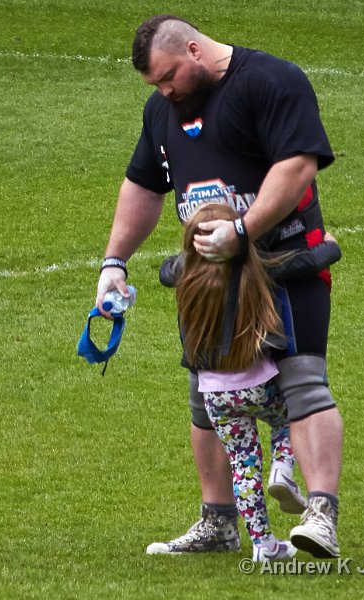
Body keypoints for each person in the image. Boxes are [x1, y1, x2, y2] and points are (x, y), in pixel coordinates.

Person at [96, 14, 343, 559]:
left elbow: (297, 165)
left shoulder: (271, 81)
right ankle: (219, 522)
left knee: (303, 384)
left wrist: (242, 231)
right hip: (208, 277)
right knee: (206, 398)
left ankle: (320, 515)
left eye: (168, 77)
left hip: (284, 263)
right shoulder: (162, 110)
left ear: (193, 49)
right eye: (155, 85)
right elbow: (143, 185)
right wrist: (113, 262)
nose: (164, 91)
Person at [172, 202, 305, 561]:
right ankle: (282, 468)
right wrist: (330, 247)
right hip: (258, 382)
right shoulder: (253, 267)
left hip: (215, 396)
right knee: (293, 417)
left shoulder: (185, 275)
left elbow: (167, 270)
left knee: (244, 466)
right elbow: (302, 263)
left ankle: (263, 545)